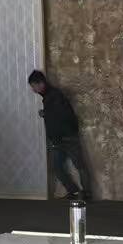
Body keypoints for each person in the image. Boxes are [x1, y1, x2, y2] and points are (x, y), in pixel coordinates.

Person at [28, 69, 93, 201]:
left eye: (33, 86)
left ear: (41, 83)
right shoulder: (49, 96)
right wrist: (46, 113)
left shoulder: (55, 95)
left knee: (79, 165)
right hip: (59, 139)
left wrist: (47, 114)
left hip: (67, 138)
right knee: (57, 168)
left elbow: (62, 115)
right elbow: (56, 114)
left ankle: (86, 194)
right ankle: (74, 192)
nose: (33, 89)